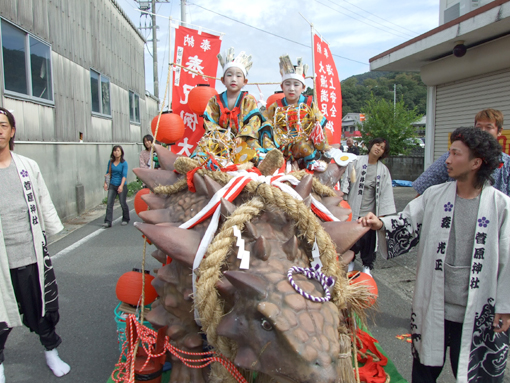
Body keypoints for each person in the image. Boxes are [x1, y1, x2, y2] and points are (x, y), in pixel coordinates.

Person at [360, 127, 510, 382]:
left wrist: (505, 307)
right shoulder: (434, 195)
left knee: (476, 374)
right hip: (435, 307)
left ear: (476, 162)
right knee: (424, 372)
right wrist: (381, 224)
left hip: (477, 312)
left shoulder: (501, 206)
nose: (448, 160)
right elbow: (405, 222)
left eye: (455, 154)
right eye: (448, 153)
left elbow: (508, 259)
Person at [0, 107, 70, 380]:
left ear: (12, 131)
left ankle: (51, 351)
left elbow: (42, 200)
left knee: (40, 309)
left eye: (3, 125)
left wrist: (52, 231)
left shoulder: (28, 166)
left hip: (28, 254)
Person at [192, 48, 265, 166]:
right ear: (223, 80)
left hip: (243, 139)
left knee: (253, 146)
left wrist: (241, 137)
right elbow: (210, 123)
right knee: (207, 143)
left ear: (245, 81)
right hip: (220, 140)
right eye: (229, 75)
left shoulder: (248, 100)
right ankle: (194, 163)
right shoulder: (214, 101)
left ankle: (262, 164)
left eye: (238, 76)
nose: (234, 79)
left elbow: (254, 122)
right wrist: (221, 137)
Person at [413, 109, 510, 196]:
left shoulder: (506, 163)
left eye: (489, 127)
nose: (483, 131)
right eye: (479, 127)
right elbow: (425, 185)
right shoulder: (452, 156)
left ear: (499, 131)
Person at [260, 55, 331, 171]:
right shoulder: (276, 106)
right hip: (281, 145)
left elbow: (319, 125)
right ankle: (270, 159)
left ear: (303, 87)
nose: (291, 88)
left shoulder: (309, 103)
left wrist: (323, 145)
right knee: (265, 129)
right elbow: (265, 121)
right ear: (282, 86)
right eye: (287, 84)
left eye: (296, 84)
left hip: (302, 144)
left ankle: (310, 162)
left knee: (305, 145)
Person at [341, 137, 396, 275]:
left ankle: (367, 265)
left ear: (384, 153)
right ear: (371, 145)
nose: (378, 148)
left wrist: (382, 215)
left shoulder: (383, 171)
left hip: (370, 212)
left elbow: (386, 193)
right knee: (352, 239)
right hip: (353, 207)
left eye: (382, 148)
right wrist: (343, 197)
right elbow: (346, 180)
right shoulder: (356, 162)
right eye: (377, 145)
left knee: (368, 240)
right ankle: (351, 261)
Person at [103, 145, 129, 228]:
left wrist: (121, 186)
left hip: (121, 185)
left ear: (121, 152)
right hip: (112, 185)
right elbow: (108, 173)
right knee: (109, 203)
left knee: (122, 203)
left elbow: (124, 175)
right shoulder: (110, 162)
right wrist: (105, 183)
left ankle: (126, 218)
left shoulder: (124, 163)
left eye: (118, 151)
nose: (116, 152)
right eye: (114, 151)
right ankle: (108, 221)